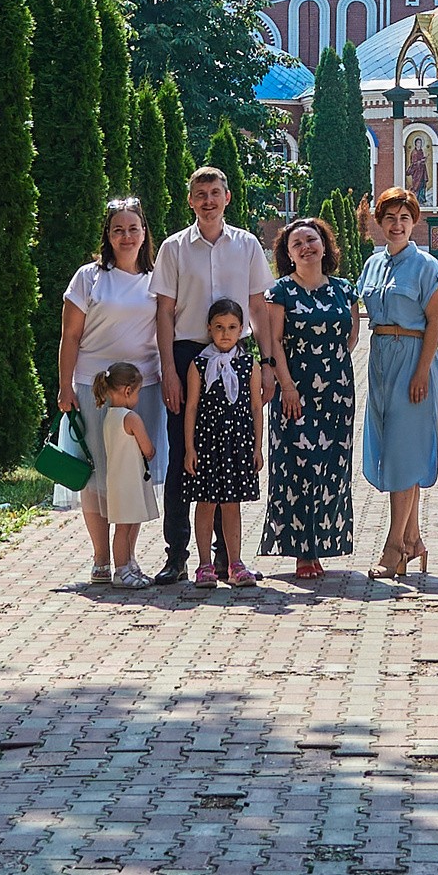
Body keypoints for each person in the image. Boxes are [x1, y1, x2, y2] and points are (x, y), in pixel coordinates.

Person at [149, 167, 277, 584]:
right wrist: (169, 368)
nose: (207, 201)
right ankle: (177, 554)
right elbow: (164, 312)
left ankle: (227, 558)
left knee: (230, 458)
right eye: (200, 194)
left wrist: (269, 363)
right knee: (186, 458)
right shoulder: (173, 248)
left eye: (214, 193)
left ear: (227, 198)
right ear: (190, 201)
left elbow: (258, 307)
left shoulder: (247, 244)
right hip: (188, 356)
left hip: (236, 354)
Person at [56, 199, 163, 585]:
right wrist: (64, 384)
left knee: (133, 474)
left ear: (144, 232)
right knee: (95, 475)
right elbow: (70, 335)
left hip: (142, 390)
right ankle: (102, 560)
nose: (126, 236)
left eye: (133, 228)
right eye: (118, 229)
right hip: (92, 388)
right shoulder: (88, 277)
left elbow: (166, 332)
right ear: (108, 235)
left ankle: (127, 560)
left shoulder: (159, 278)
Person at [257, 216, 359, 577]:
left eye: (311, 240)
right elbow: (274, 344)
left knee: (331, 467)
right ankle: (303, 551)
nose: (306, 247)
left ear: (324, 245)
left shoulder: (345, 289)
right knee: (298, 467)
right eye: (296, 243)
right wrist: (287, 387)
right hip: (294, 392)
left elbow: (351, 338)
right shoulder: (280, 292)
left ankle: (322, 545)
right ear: (288, 254)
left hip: (337, 392)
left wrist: (330, 370)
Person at [357, 186, 438, 578]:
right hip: (380, 360)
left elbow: (437, 320)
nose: (397, 225)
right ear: (380, 223)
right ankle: (413, 540)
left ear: (414, 223)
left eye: (404, 218)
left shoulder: (426, 265)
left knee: (403, 454)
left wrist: (423, 370)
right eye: (390, 218)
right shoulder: (373, 265)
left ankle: (394, 547)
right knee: (391, 447)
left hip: (413, 359)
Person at [181, 299, 263, 588]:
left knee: (232, 504)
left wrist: (257, 447)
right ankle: (204, 565)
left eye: (231, 327)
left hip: (237, 444)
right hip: (207, 443)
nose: (225, 333)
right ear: (209, 329)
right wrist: (190, 448)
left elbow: (255, 407)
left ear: (242, 329)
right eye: (219, 327)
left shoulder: (248, 364)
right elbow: (191, 406)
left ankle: (235, 563)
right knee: (205, 503)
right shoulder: (200, 364)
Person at [91, 362, 159, 588]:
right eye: (138, 392)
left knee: (125, 526)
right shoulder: (131, 418)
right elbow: (147, 448)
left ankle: (128, 566)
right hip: (129, 482)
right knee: (124, 529)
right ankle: (121, 570)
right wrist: (150, 451)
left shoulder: (109, 416)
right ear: (127, 391)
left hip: (118, 481)